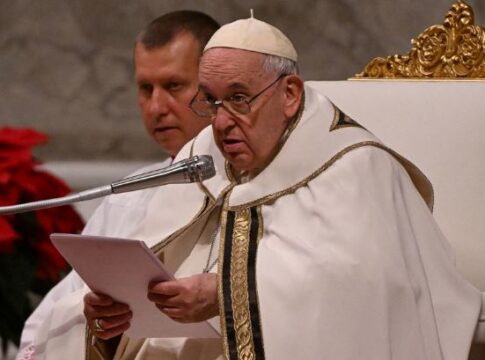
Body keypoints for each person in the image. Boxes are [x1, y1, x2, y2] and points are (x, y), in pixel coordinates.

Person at [84, 15, 481, 360]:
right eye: (210, 101)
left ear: (290, 94)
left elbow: (369, 291)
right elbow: (160, 272)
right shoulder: (203, 156)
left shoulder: (355, 165)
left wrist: (224, 295)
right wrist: (122, 316)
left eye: (239, 98)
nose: (220, 124)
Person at [16, 10, 219, 360]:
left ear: (216, 88)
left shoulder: (257, 188)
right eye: (145, 88)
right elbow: (58, 315)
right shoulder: (129, 196)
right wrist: (97, 320)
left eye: (173, 86)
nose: (156, 106)